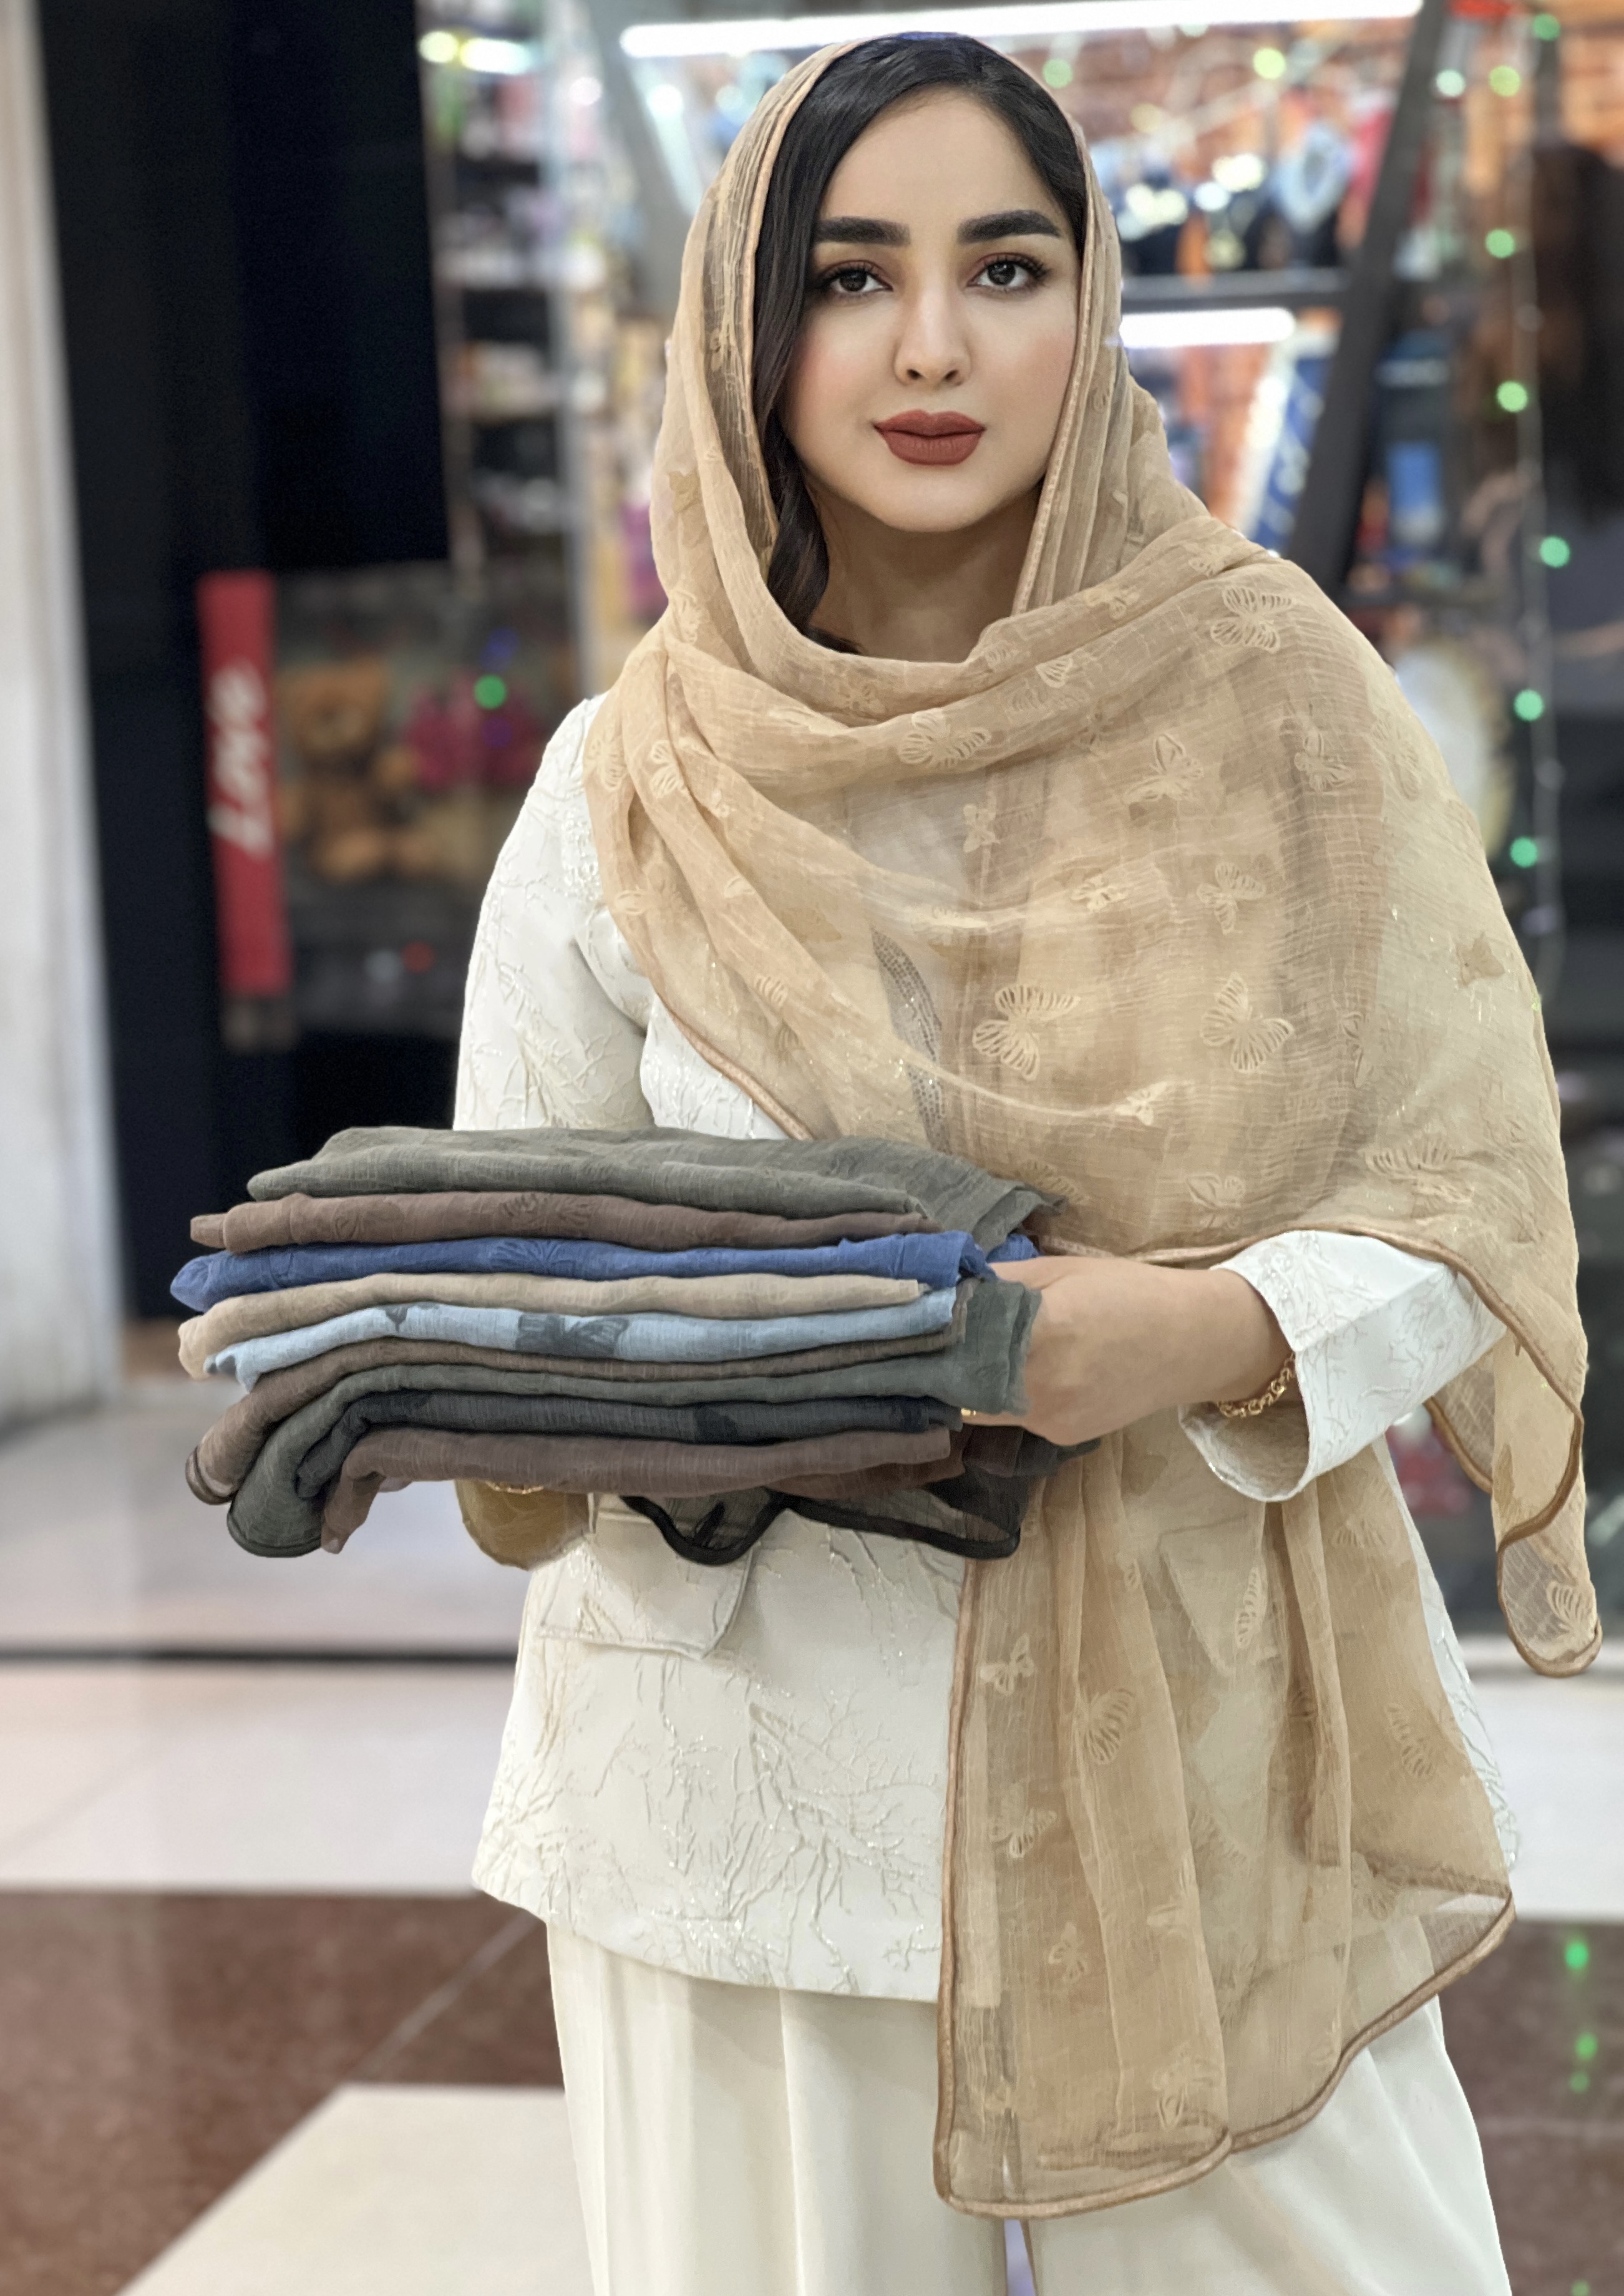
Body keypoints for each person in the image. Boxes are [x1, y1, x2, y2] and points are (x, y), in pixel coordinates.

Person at [455, 34, 1597, 2294]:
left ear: (1091, 302)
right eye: (848, 276)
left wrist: (1204, 1328)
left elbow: (1470, 1197)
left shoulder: (1277, 708)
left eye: (1003, 267)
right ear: (744, 326)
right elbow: (511, 1272)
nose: (931, 347)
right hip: (744, 1782)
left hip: (1197, 1763)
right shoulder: (625, 786)